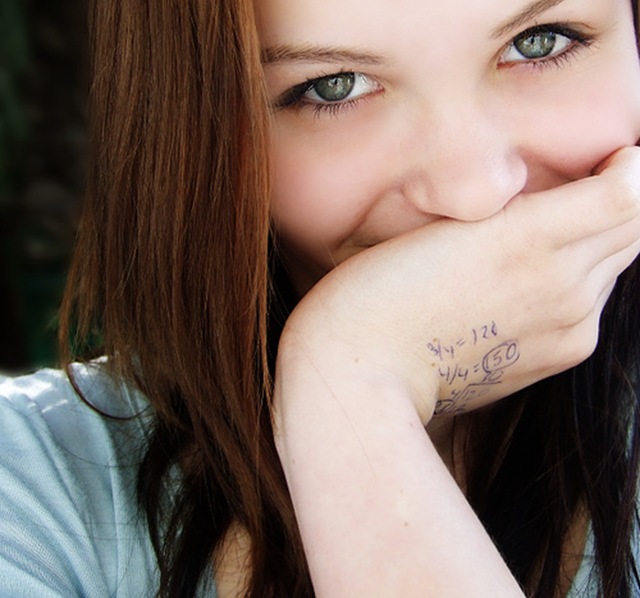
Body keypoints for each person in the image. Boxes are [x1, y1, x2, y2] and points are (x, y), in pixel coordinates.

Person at [1, 0, 640, 596]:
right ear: (193, 133)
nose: (473, 192)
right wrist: (352, 386)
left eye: (539, 43)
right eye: (333, 85)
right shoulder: (30, 493)